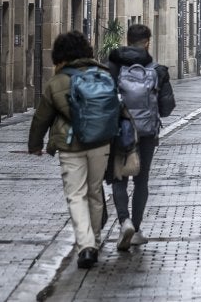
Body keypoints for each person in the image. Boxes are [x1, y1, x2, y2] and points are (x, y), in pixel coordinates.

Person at [28, 31, 123, 269]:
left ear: (60, 56)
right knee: (95, 192)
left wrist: (35, 144)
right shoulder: (103, 75)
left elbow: (41, 117)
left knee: (76, 195)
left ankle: (86, 245)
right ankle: (96, 241)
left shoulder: (57, 81)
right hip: (101, 142)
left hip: (70, 145)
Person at [106, 23, 176, 251]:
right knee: (141, 180)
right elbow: (167, 107)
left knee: (119, 177)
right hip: (146, 133)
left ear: (127, 40)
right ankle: (136, 229)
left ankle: (124, 220)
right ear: (147, 42)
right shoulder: (157, 70)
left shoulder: (113, 66)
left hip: (120, 131)